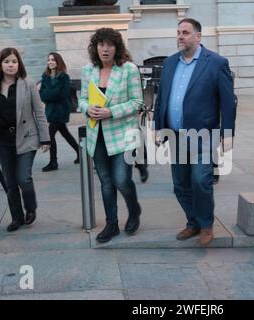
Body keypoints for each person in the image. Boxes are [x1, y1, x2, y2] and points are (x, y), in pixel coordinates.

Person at [153, 18, 236, 246]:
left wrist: (227, 132)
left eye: (185, 32)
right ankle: (193, 222)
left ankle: (207, 224)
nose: (180, 36)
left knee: (200, 180)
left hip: (203, 136)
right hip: (175, 135)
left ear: (198, 37)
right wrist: (157, 126)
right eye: (178, 32)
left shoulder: (216, 63)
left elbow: (228, 102)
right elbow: (162, 97)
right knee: (180, 183)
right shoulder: (170, 63)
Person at [79, 28, 143, 243]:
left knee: (121, 180)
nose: (105, 49)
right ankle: (112, 224)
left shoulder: (128, 70)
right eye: (101, 44)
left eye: (110, 45)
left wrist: (111, 111)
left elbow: (137, 103)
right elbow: (82, 99)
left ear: (117, 48)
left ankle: (134, 210)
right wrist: (87, 108)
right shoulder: (88, 70)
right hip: (96, 134)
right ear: (95, 47)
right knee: (106, 181)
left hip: (123, 134)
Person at [0, 48, 50, 232]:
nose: (11, 65)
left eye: (14, 61)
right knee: (10, 181)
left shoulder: (28, 84)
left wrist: (45, 139)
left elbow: (39, 111)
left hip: (26, 137)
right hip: (2, 140)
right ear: (0, 64)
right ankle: (16, 217)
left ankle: (30, 208)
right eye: (6, 61)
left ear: (19, 63)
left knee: (23, 177)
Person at [39, 52, 80, 172]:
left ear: (58, 62)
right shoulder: (45, 76)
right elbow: (42, 94)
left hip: (61, 110)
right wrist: (50, 94)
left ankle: (53, 162)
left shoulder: (64, 77)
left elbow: (62, 95)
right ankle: (80, 152)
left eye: (53, 60)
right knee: (65, 133)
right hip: (51, 110)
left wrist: (49, 94)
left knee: (50, 135)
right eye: (49, 60)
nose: (50, 62)